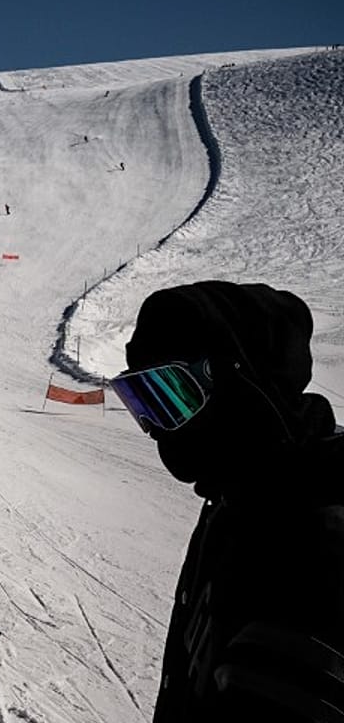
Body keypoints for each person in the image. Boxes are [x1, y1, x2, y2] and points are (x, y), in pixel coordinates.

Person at [110, 281, 344, 720]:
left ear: (242, 381)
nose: (155, 429)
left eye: (171, 397)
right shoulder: (235, 500)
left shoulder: (313, 542)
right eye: (142, 401)